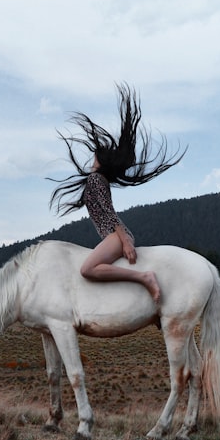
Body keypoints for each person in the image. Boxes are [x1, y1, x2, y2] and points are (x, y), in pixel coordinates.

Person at [49, 83, 185, 302]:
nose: (92, 158)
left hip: (115, 236)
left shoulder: (95, 179)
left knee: (87, 269)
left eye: (95, 156)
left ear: (101, 162)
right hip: (114, 235)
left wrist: (125, 242)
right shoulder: (98, 180)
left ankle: (144, 278)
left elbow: (109, 213)